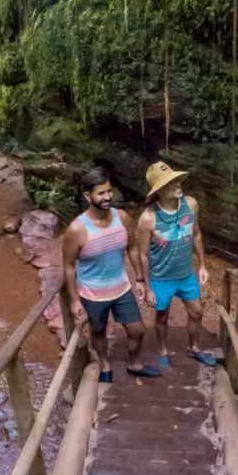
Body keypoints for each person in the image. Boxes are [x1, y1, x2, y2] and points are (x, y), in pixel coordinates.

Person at [62, 167, 160, 382]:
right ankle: (105, 365)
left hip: (121, 289)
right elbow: (69, 266)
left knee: (138, 330)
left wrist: (140, 279)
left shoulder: (122, 217)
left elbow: (132, 248)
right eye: (101, 193)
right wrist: (74, 300)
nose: (107, 197)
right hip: (93, 294)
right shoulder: (76, 229)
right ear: (88, 196)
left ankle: (134, 363)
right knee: (98, 333)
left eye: (109, 191)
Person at [137, 161, 215, 369]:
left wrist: (203, 265)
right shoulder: (148, 218)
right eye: (171, 183)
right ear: (160, 191)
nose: (178, 184)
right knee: (162, 315)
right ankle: (163, 350)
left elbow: (196, 234)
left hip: (186, 274)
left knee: (197, 312)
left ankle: (194, 348)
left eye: (176, 180)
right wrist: (146, 287)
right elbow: (143, 255)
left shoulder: (191, 205)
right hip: (161, 278)